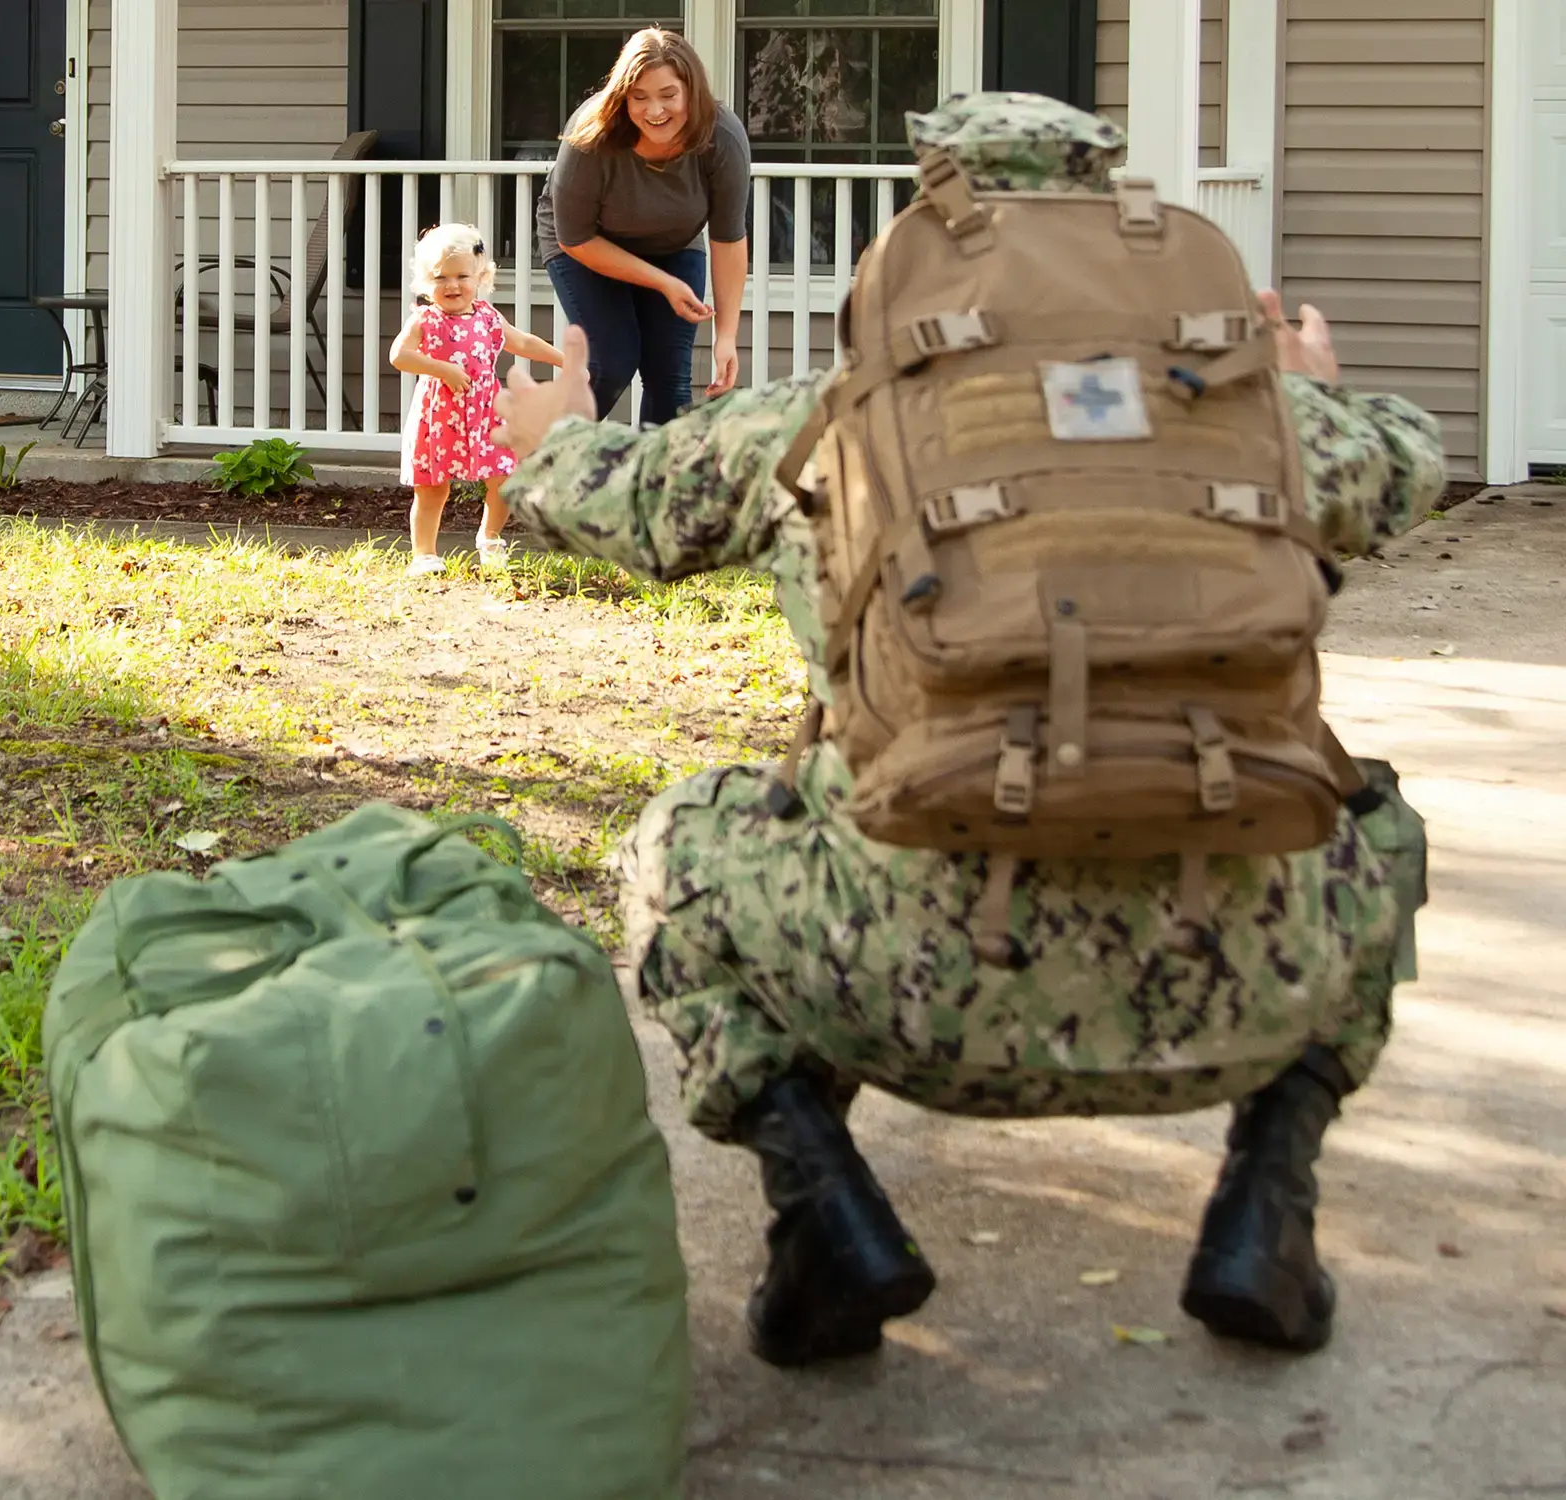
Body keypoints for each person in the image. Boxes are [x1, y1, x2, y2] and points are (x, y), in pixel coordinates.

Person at [495, 95, 1443, 1369]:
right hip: (1229, 991)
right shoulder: (1266, 418)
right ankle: (1265, 1207)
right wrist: (1307, 393)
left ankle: (819, 1206)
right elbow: (1408, 453)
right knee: (1372, 820)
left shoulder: (821, 425)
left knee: (679, 844)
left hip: (899, 994)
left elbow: (588, 495)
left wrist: (549, 435)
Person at [537, 28, 748, 426]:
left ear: (692, 90)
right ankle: (546, 466)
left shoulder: (722, 137)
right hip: (586, 244)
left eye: (668, 95)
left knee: (669, 376)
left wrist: (726, 337)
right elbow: (576, 237)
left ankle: (655, 485)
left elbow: (728, 237)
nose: (655, 111)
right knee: (612, 360)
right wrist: (663, 283)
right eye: (640, 98)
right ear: (623, 97)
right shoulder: (591, 134)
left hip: (674, 243)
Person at [390, 222, 564, 577]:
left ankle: (490, 538)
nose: (452, 285)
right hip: (439, 415)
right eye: (440, 278)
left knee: (504, 477)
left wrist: (564, 360)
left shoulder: (487, 316)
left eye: (462, 276)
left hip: (487, 413)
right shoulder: (426, 319)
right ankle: (424, 554)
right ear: (426, 282)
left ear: (481, 276)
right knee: (433, 488)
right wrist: (443, 369)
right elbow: (399, 355)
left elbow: (523, 343)